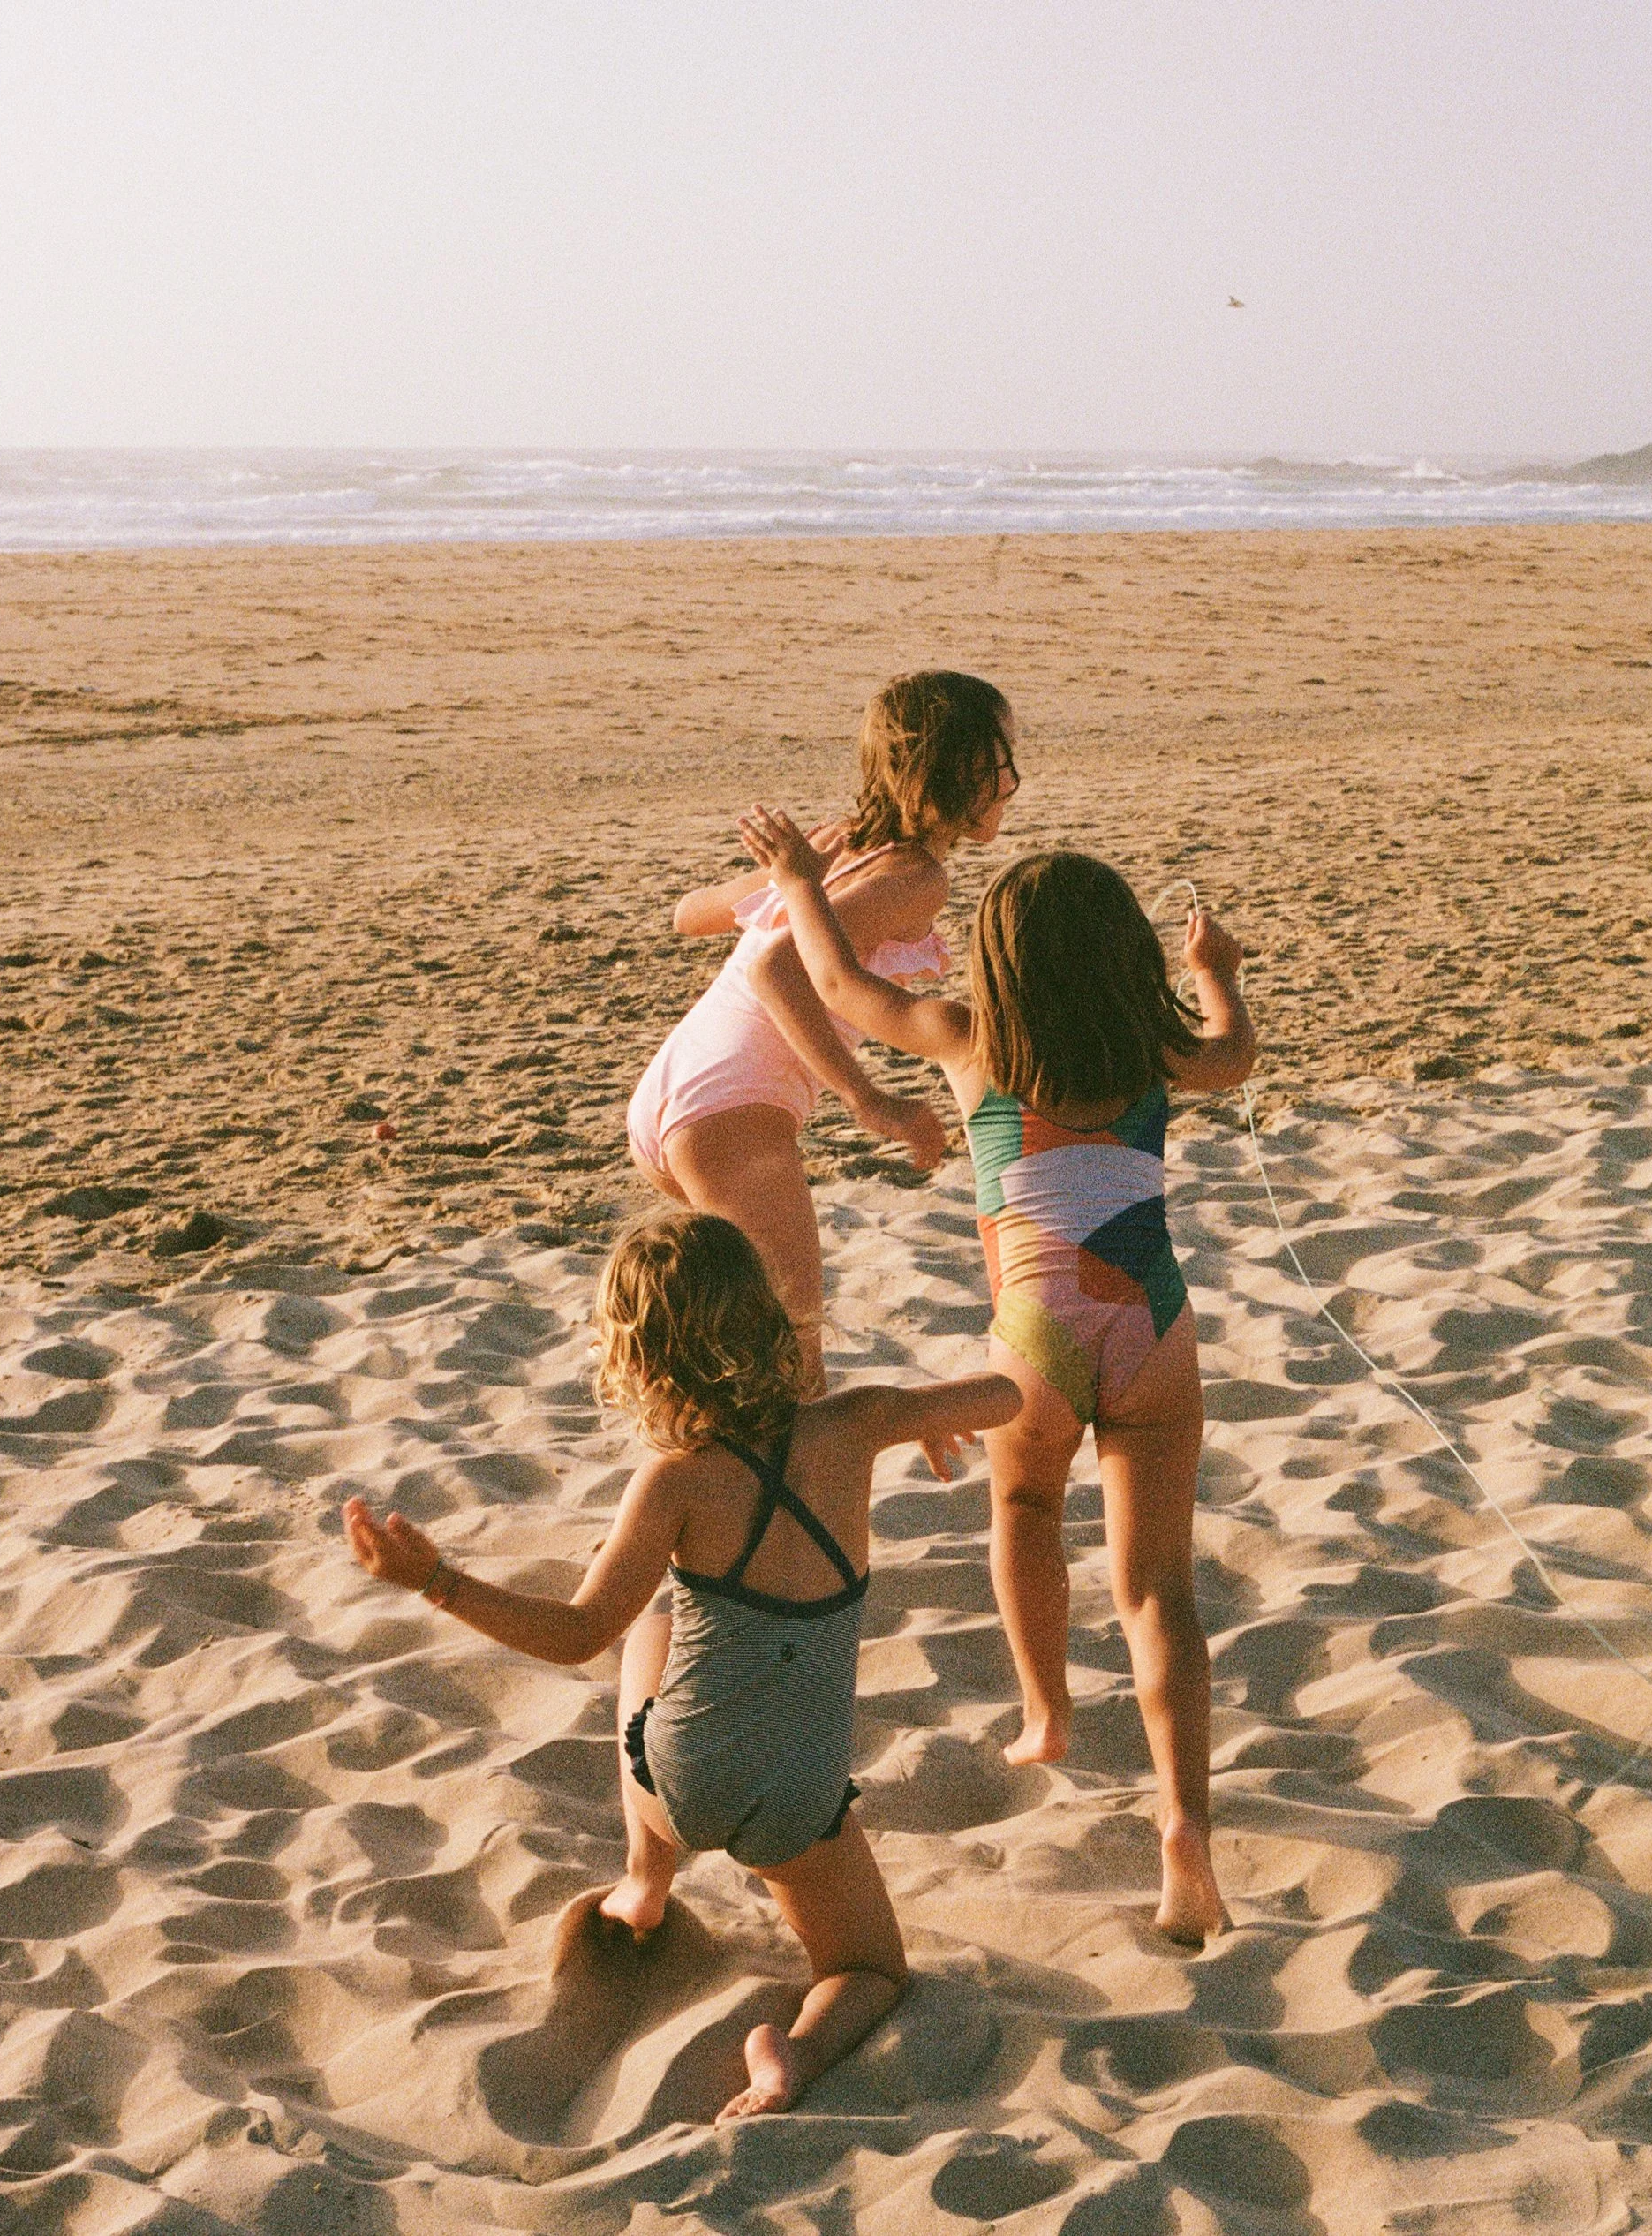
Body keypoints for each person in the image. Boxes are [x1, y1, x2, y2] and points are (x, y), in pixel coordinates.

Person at [344, 1208, 1021, 2121]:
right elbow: (1007, 1399)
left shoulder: (673, 1482)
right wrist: (917, 1417)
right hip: (794, 1797)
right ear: (772, 1318)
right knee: (866, 1970)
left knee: (648, 1631)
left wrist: (437, 1580)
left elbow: (576, 1632)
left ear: (640, 1359)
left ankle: (645, 1882)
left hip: (683, 1779)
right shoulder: (856, 1425)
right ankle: (796, 2059)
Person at [736, 815, 1256, 1943]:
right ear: (1125, 958)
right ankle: (1184, 1829)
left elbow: (828, 976)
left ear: (998, 959)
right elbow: (1235, 1056)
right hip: (1156, 1320)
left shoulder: (962, 1038)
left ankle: (1047, 1713)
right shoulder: (1150, 1048)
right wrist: (1214, 976)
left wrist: (796, 879)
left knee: (1023, 1507)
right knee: (1158, 1586)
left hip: (1038, 1327)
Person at [627, 670, 1020, 1394]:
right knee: (796, 1370)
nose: (1012, 782)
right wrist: (866, 1098)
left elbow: (690, 913)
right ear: (956, 773)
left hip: (674, 1093)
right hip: (731, 1112)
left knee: (734, 1359)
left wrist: (783, 877)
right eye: (1000, 764)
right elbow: (778, 971)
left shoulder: (833, 843)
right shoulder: (915, 878)